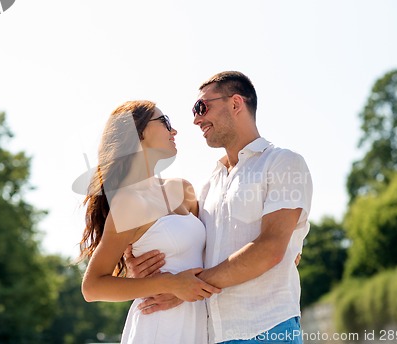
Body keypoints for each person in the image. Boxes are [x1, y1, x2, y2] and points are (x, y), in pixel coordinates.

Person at [125, 71, 313, 344]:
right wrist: (139, 269)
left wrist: (185, 287)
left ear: (236, 103)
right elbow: (187, 246)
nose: (196, 119)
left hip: (269, 329)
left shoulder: (283, 163)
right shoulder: (207, 186)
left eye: (202, 107)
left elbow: (271, 250)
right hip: (210, 334)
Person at [79, 100, 221, 344]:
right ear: (138, 132)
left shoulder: (183, 188)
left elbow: (211, 254)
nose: (174, 131)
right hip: (157, 327)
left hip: (200, 324)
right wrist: (167, 283)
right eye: (165, 122)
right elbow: (92, 287)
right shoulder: (128, 203)